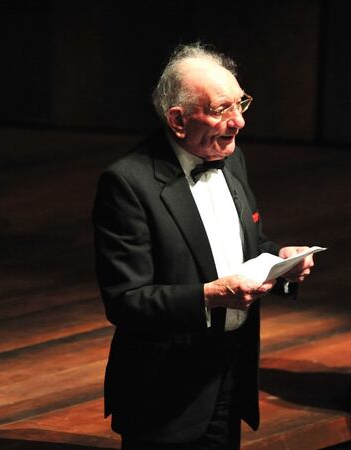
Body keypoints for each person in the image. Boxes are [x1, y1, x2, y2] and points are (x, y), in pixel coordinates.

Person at [91, 42, 316, 449]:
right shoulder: (127, 183)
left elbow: (244, 244)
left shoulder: (231, 158)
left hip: (230, 371)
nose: (239, 122)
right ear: (177, 120)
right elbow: (125, 301)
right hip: (165, 390)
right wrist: (208, 296)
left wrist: (280, 262)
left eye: (240, 104)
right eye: (221, 109)